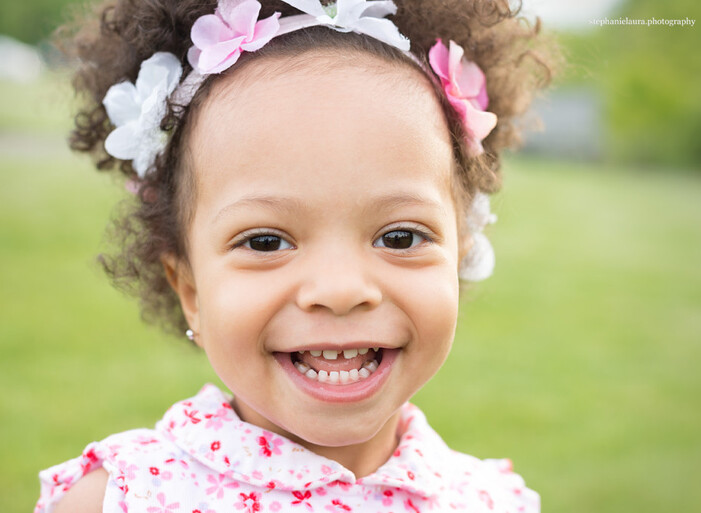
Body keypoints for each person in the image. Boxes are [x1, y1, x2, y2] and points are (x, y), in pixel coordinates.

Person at [36, 1, 557, 511]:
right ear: (190, 291)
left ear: (458, 258)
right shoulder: (124, 499)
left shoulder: (492, 502)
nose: (340, 291)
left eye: (399, 237)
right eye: (266, 242)